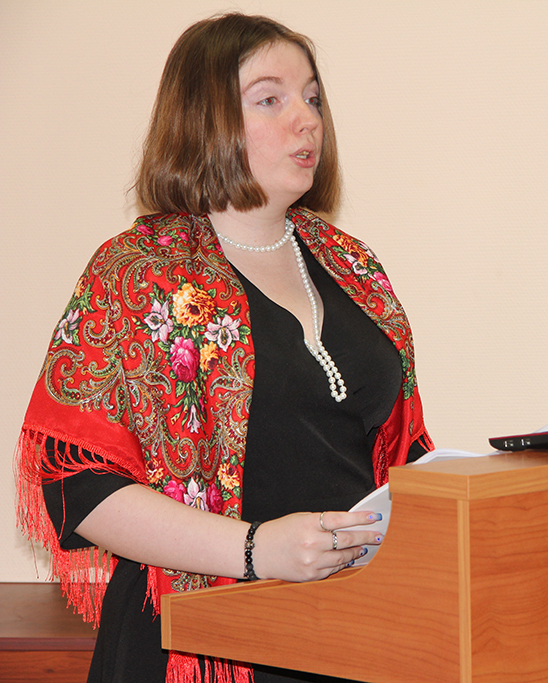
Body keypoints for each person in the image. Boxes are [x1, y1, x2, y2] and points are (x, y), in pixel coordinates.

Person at [15, 13, 432, 683]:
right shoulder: (138, 271)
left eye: (313, 98)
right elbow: (79, 487)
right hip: (194, 639)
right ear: (203, 119)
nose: (307, 119)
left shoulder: (353, 265)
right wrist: (255, 549)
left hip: (345, 631)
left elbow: (397, 459)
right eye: (271, 99)